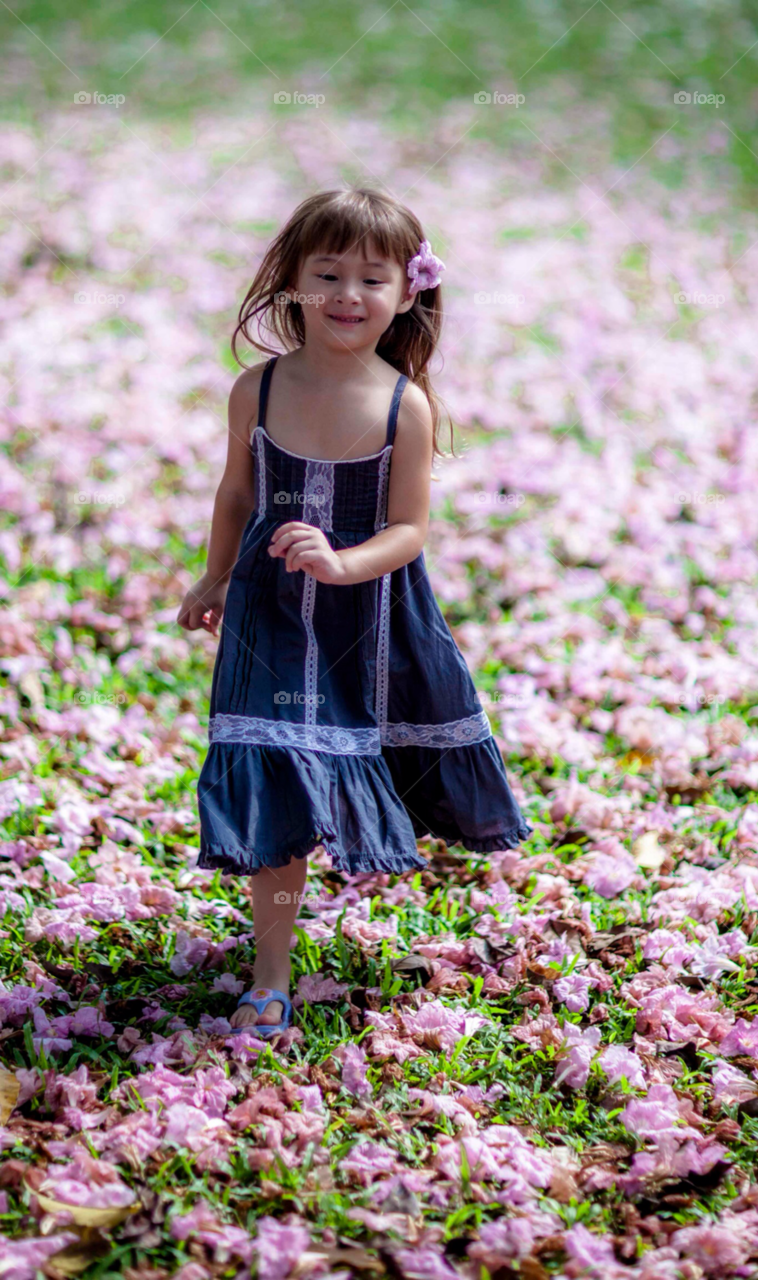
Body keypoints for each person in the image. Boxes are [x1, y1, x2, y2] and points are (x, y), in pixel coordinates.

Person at [177, 187, 531, 1037]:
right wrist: (213, 576)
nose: (345, 294)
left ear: (406, 293)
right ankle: (270, 967)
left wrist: (342, 564)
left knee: (353, 756)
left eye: (370, 278)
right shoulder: (255, 390)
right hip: (268, 610)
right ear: (291, 283)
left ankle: (294, 936)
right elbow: (236, 491)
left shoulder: (402, 404)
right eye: (325, 274)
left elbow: (409, 529)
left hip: (365, 619)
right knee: (273, 764)